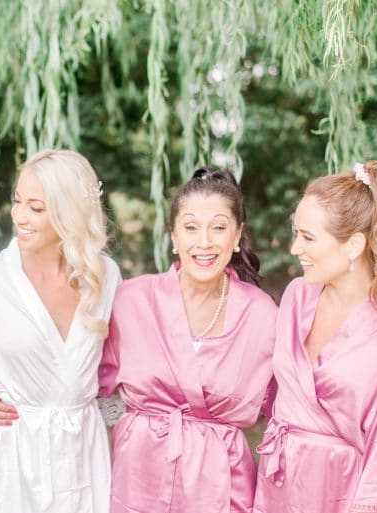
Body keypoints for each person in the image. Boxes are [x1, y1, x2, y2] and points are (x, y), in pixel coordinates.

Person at [96, 168, 277, 513]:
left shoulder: (261, 315)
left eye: (218, 227)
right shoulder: (132, 300)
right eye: (191, 227)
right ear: (174, 237)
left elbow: (287, 406)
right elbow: (90, 384)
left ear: (237, 236)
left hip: (220, 484)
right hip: (140, 475)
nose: (204, 241)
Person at [253, 161, 377, 513]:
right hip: (278, 484)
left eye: (308, 237)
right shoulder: (296, 296)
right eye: (296, 234)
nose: (295, 248)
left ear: (353, 245)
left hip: (343, 492)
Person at [0, 149, 121, 513]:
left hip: (84, 455)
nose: (19, 216)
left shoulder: (104, 277)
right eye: (18, 201)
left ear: (69, 213)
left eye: (35, 207)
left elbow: (119, 370)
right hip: (15, 461)